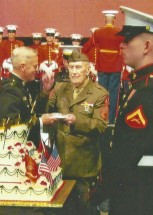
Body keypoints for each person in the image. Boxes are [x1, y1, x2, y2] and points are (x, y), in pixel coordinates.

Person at [108, 6, 153, 215]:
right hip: (135, 190)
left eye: (127, 40)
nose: (121, 45)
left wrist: (103, 188)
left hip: (140, 197)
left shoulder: (151, 90)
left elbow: (131, 153)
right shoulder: (143, 83)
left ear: (146, 46)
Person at [46, 50, 109, 214]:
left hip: (84, 165)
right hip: (59, 163)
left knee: (83, 210)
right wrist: (45, 91)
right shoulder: (60, 88)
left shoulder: (99, 93)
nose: (74, 71)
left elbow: (101, 125)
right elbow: (45, 112)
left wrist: (77, 121)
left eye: (78, 67)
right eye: (71, 67)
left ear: (87, 69)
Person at [0, 46, 54, 146]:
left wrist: (45, 91)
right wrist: (40, 121)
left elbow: (32, 111)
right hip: (16, 148)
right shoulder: (10, 90)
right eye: (34, 66)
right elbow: (13, 127)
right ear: (23, 67)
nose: (37, 70)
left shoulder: (23, 85)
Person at [92, 10, 124, 124]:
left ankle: (101, 117)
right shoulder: (120, 32)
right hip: (115, 66)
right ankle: (111, 119)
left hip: (102, 66)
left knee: (101, 93)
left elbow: (89, 46)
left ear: (105, 19)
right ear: (114, 19)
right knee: (114, 94)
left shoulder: (98, 32)